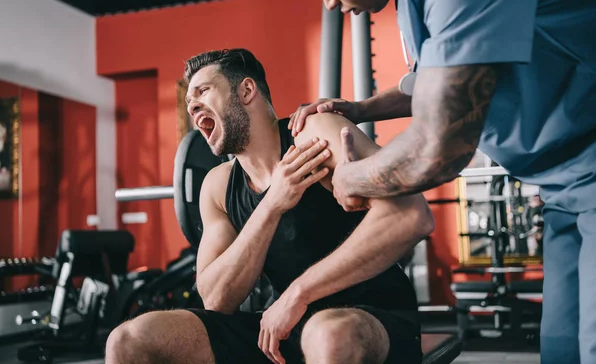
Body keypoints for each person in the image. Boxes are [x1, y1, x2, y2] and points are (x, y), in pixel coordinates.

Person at [285, 0, 596, 363]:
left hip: (585, 171)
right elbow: (436, 83)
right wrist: (362, 108)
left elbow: (438, 149)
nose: (327, 1)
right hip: (565, 190)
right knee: (562, 352)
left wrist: (352, 179)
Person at [105, 49, 434, 364]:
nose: (193, 107)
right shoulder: (218, 185)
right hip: (281, 329)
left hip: (370, 318)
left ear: (246, 90)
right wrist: (272, 204)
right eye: (189, 104)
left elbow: (410, 216)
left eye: (203, 91)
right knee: (129, 341)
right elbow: (217, 299)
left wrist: (298, 294)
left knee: (329, 335)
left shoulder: (312, 134)